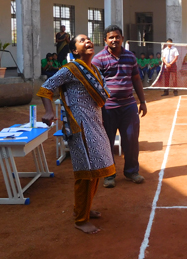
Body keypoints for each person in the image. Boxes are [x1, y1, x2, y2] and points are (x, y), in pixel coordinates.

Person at [37, 34, 115, 234]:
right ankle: (81, 220)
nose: (87, 41)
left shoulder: (95, 70)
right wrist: (48, 111)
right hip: (80, 127)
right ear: (74, 50)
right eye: (82, 40)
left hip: (96, 124)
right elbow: (46, 88)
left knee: (96, 168)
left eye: (89, 39)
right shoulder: (70, 70)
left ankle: (84, 208)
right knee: (85, 173)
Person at [92, 25, 147, 188]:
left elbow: (136, 79)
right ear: (105, 40)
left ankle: (131, 172)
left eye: (117, 37)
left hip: (129, 105)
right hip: (107, 108)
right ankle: (109, 175)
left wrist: (142, 101)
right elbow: (94, 83)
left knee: (131, 139)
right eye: (111, 37)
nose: (114, 40)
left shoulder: (130, 57)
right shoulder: (98, 59)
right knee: (107, 141)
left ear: (122, 38)